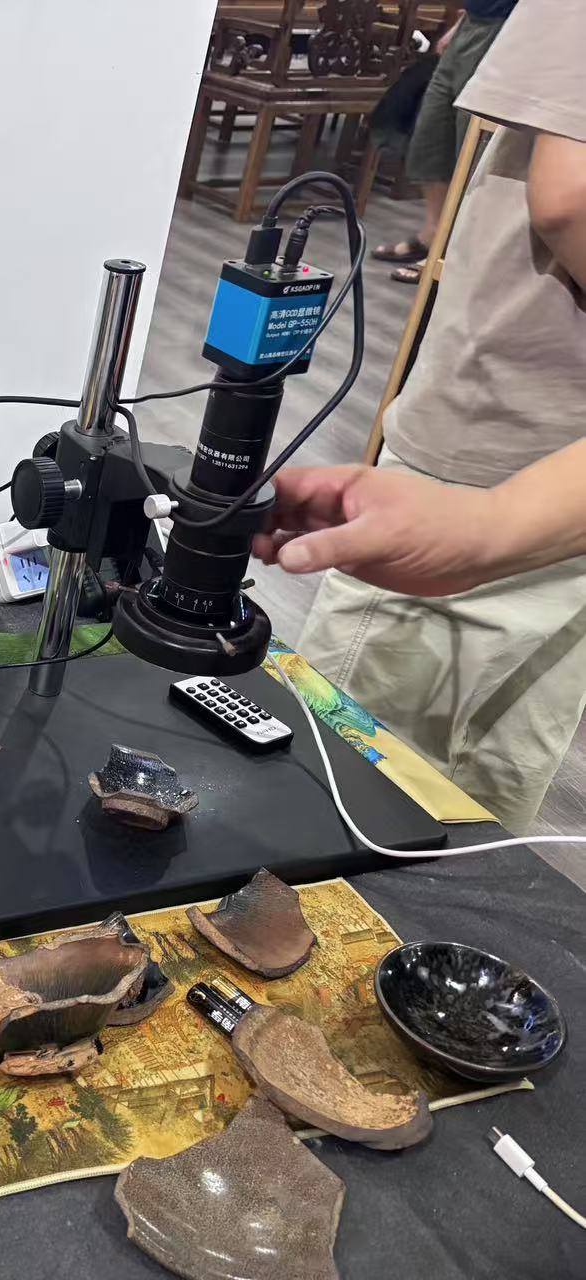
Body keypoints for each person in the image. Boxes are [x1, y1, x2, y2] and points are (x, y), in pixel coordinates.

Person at [263, 0, 586, 833]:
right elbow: (568, 194)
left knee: (402, 805)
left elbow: (568, 194)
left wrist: (489, 530)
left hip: (525, 450)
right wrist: (486, 530)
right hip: (523, 442)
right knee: (385, 791)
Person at [372, 0, 516, 283]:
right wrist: (460, 25)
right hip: (473, 23)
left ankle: (449, 250)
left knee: (470, 147)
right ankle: (433, 232)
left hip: (506, 32)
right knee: (431, 134)